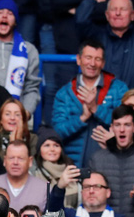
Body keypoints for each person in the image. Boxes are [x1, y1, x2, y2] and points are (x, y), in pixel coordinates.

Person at [52, 39, 128, 168]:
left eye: (97, 59)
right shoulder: (64, 93)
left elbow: (127, 125)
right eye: (88, 57)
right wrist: (82, 118)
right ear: (78, 59)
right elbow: (57, 133)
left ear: (103, 63)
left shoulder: (118, 89)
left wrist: (96, 109)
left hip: (110, 164)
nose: (92, 63)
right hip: (72, 165)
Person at [75, 0, 134, 88]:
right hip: (102, 100)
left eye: (123, 9)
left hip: (133, 99)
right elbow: (81, 21)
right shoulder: (96, 37)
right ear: (107, 15)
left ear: (132, 15)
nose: (118, 13)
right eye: (113, 9)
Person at [0, 140, 48, 213]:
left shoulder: (44, 188)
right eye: (11, 158)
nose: (15, 162)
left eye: (20, 158)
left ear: (30, 161)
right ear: (4, 160)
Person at [29, 128, 77, 209]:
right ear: (39, 150)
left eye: (56, 145)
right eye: (47, 145)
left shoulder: (71, 170)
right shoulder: (32, 173)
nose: (52, 149)